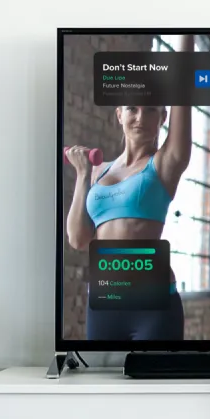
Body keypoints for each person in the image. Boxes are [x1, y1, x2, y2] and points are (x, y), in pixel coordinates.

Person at [64, 34, 195, 341]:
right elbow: (78, 238)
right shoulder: (97, 170)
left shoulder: (164, 164)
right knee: (105, 389)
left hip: (154, 306)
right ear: (119, 114)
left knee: (155, 388)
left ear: (163, 117)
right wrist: (82, 176)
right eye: (132, 109)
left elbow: (184, 90)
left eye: (151, 110)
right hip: (104, 304)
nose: (140, 117)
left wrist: (186, 34)